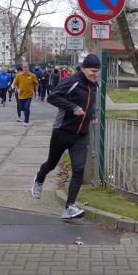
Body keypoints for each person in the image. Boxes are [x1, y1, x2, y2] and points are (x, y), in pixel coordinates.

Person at [31, 54, 101, 219]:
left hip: (80, 135)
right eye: (92, 71)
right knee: (51, 164)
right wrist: (72, 107)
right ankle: (39, 179)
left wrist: (92, 115)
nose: (95, 74)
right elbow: (52, 97)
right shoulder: (72, 81)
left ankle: (69, 207)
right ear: (83, 69)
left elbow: (90, 104)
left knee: (79, 169)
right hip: (62, 131)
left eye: (97, 71)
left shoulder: (95, 86)